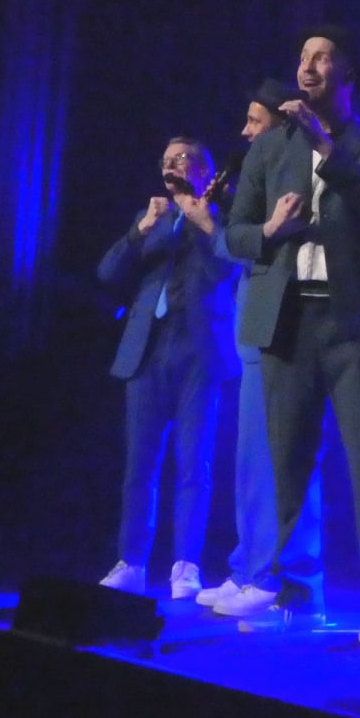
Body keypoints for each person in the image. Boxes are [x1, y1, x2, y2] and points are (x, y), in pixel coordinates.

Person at [222, 26, 360, 643]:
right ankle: (298, 591)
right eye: (303, 56)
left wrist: (326, 146)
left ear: (347, 73)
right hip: (287, 321)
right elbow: (235, 233)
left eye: (322, 56)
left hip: (352, 322)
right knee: (288, 462)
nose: (307, 65)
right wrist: (270, 231)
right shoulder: (268, 149)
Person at [197, 79, 324, 618]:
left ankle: (270, 573)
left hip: (283, 320)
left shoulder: (298, 169)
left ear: (281, 122)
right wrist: (218, 221)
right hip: (253, 319)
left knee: (273, 456)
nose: (246, 132)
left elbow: (262, 243)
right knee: (250, 456)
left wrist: (229, 228)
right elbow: (238, 242)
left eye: (255, 120)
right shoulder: (254, 174)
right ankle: (247, 564)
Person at [95, 138, 238, 599]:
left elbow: (227, 270)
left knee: (194, 463)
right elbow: (107, 273)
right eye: (166, 160)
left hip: (199, 351)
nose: (171, 165)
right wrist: (141, 230)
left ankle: (186, 565)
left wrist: (203, 220)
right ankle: (132, 561)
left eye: (181, 159)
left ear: (203, 170)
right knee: (139, 464)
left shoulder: (221, 215)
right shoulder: (151, 216)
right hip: (148, 350)